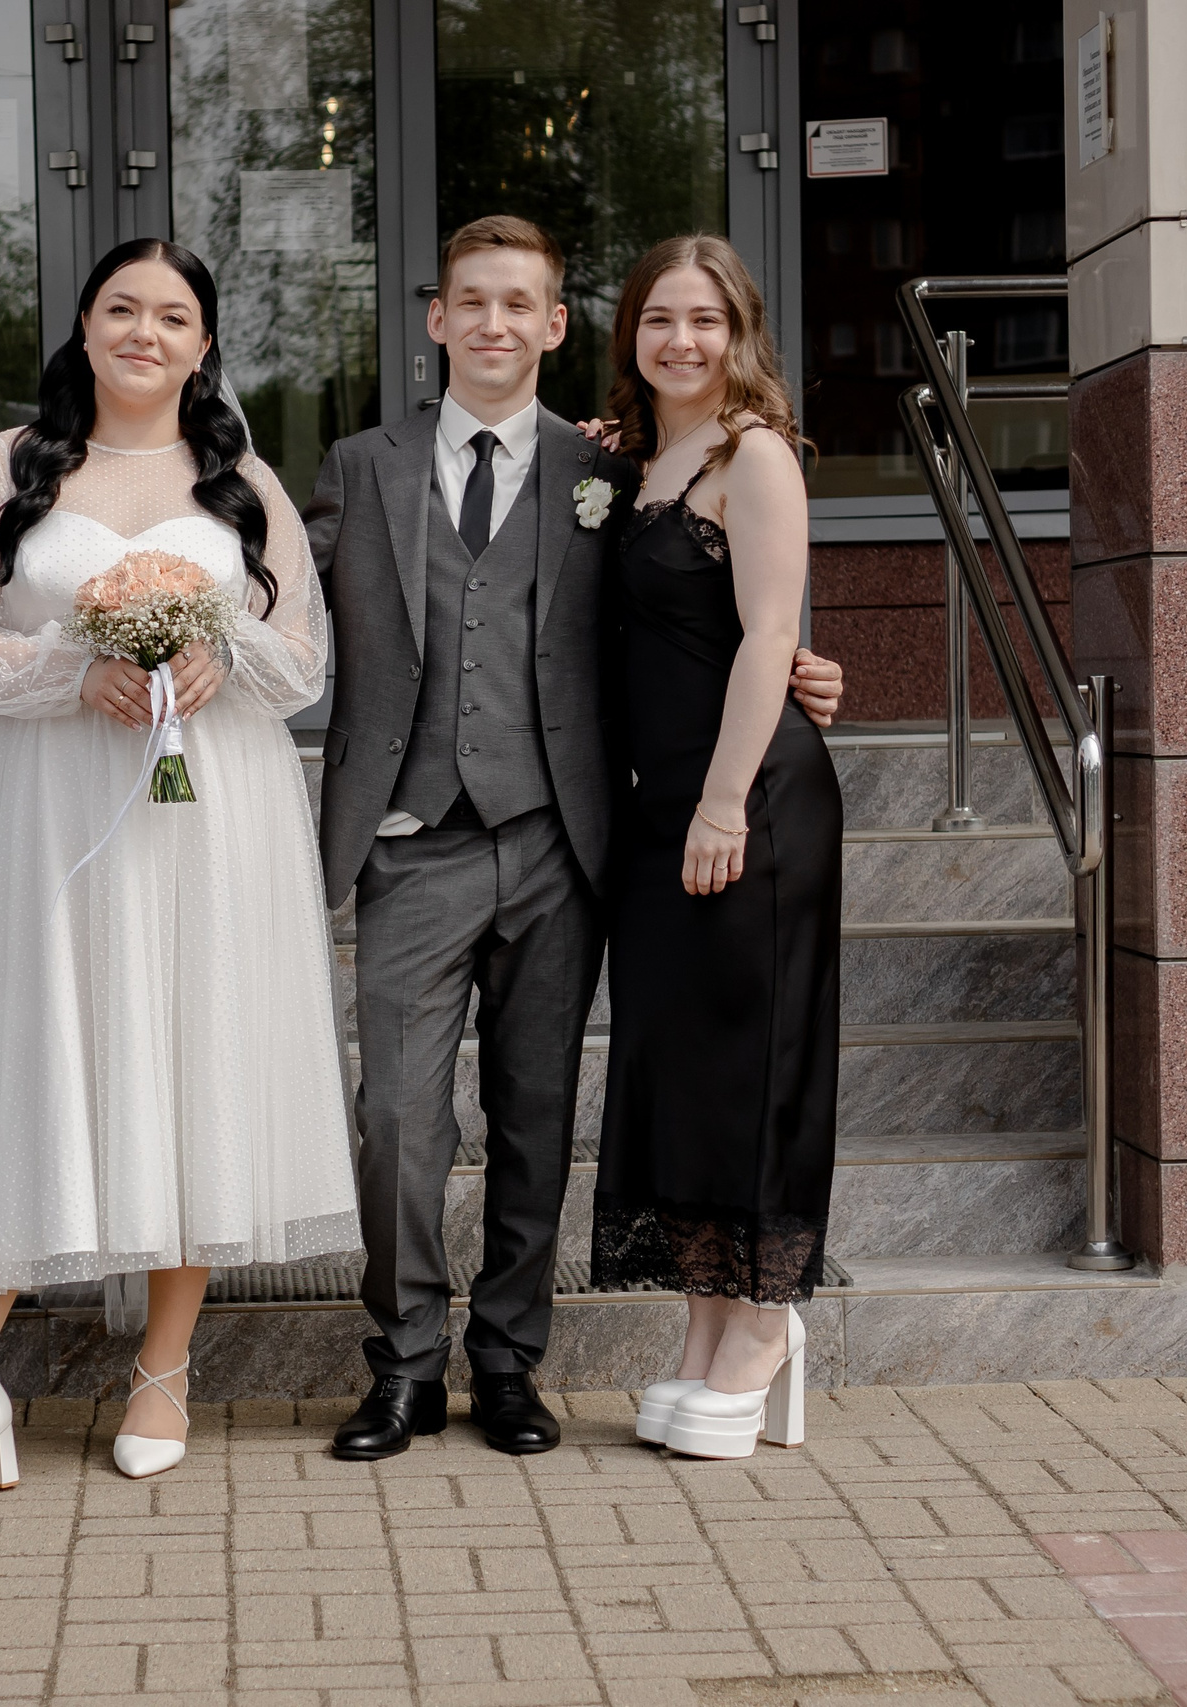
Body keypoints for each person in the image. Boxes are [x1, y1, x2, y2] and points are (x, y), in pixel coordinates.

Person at [301, 215, 845, 1462]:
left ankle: (508, 1364)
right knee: (397, 1120)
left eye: (521, 305)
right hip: (409, 839)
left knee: (538, 1111)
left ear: (553, 327)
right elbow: (282, 596)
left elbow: (704, 609)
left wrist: (793, 667)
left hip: (563, 841)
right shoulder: (364, 461)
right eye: (469, 302)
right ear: (435, 320)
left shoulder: (598, 469)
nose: (494, 324)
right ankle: (401, 1364)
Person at [0, 239, 358, 1518]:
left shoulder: (240, 478)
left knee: (195, 1045)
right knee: (27, 1053)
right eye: (120, 309)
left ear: (205, 344)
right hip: (51, 805)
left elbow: (301, 657)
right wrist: (66, 671)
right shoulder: (11, 465)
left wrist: (218, 654)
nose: (145, 332)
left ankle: (163, 1370)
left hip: (211, 807)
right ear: (85, 327)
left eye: (173, 316)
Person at [589, 234, 838, 1461]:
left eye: (703, 321)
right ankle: (703, 1333)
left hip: (746, 802)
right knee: (682, 1073)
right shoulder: (630, 460)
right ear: (630, 334)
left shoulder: (757, 458)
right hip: (653, 810)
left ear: (739, 332)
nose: (680, 342)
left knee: (755, 1066)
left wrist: (723, 803)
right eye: (657, 321)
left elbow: (766, 635)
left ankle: (767, 1329)